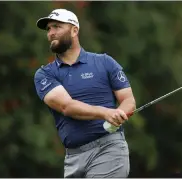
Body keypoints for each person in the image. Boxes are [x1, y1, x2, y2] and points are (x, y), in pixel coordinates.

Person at [34, 9, 136, 178]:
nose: (51, 33)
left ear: (74, 30)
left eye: (57, 27)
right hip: (73, 157)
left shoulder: (105, 62)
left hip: (109, 149)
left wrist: (120, 113)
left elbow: (128, 99)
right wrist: (106, 113)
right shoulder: (45, 74)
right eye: (49, 29)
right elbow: (67, 106)